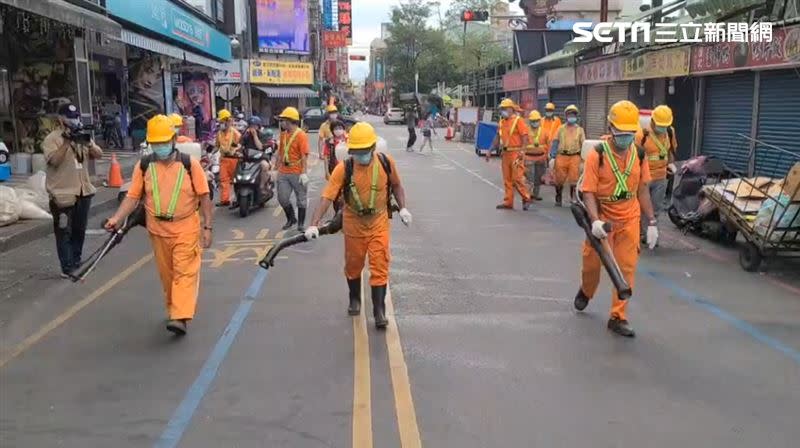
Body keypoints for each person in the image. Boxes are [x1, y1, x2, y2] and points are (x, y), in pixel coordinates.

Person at [105, 114, 213, 336]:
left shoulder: (189, 164)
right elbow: (133, 197)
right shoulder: (144, 165)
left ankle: (180, 317)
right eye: (156, 143)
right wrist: (116, 218)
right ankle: (175, 310)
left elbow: (204, 197)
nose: (161, 147)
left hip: (186, 229)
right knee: (168, 276)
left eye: (164, 142)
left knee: (184, 273)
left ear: (173, 139)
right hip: (157, 230)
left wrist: (207, 227)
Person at [305, 122, 412, 329]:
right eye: (357, 151)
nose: (361, 155)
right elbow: (327, 197)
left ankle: (379, 310)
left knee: (380, 264)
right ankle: (355, 298)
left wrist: (404, 208)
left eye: (364, 151)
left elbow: (397, 185)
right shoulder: (343, 168)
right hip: (353, 224)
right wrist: (313, 225)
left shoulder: (385, 162)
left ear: (373, 148)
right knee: (353, 265)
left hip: (379, 221)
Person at [574, 100, 659, 338]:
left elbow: (642, 190)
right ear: (610, 128)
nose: (625, 138)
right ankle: (586, 291)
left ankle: (618, 316)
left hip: (629, 218)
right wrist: (594, 221)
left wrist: (651, 222)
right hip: (602, 217)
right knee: (592, 266)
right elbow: (588, 191)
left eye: (630, 134)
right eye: (621, 133)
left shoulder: (639, 155)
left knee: (626, 268)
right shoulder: (597, 156)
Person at [43, 103, 103, 277]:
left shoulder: (81, 136)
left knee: (79, 229)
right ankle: (67, 266)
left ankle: (76, 261)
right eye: (70, 117)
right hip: (63, 194)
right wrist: (67, 141)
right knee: (64, 232)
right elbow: (54, 161)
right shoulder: (52, 139)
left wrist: (87, 142)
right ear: (61, 119)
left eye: (76, 116)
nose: (74, 120)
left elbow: (98, 154)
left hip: (83, 191)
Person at [635, 105, 677, 242]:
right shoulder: (642, 135)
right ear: (652, 121)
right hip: (644, 177)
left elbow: (671, 150)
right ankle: (641, 233)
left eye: (665, 125)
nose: (662, 128)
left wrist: (671, 163)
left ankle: (651, 232)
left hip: (661, 176)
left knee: (656, 207)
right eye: (660, 125)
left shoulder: (670, 132)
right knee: (642, 206)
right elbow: (635, 157)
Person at [488, 98, 532, 210]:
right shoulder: (502, 122)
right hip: (506, 153)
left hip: (516, 153)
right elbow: (497, 138)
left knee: (517, 178)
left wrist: (523, 151)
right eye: (501, 109)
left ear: (511, 109)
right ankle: (508, 201)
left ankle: (526, 198)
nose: (503, 111)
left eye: (505, 108)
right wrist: (490, 150)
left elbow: (525, 136)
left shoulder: (518, 120)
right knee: (507, 179)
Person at [274, 107, 310, 232]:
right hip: (284, 171)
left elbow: (304, 155)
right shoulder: (283, 134)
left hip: (297, 171)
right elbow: (280, 153)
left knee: (301, 198)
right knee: (282, 198)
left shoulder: (301, 135)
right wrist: (275, 168)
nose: (281, 123)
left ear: (290, 121)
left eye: (283, 120)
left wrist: (304, 173)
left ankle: (300, 223)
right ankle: (291, 218)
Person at [549, 104, 586, 206]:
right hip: (561, 156)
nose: (571, 117)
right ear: (566, 116)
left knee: (574, 179)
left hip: (575, 156)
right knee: (559, 179)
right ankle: (558, 196)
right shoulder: (560, 128)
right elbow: (555, 141)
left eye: (573, 114)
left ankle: (573, 198)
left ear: (576, 116)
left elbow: (583, 144)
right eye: (570, 114)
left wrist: (585, 157)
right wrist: (552, 155)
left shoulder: (580, 130)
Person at [241, 116, 273, 195]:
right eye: (251, 125)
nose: (252, 128)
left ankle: (262, 186)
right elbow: (240, 145)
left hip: (259, 157)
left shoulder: (262, 135)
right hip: (248, 157)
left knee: (265, 165)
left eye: (254, 126)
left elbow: (260, 147)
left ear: (258, 126)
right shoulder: (245, 135)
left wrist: (255, 136)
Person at [215, 109, 241, 207]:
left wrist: (236, 150)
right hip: (224, 159)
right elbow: (217, 146)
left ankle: (239, 199)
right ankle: (224, 200)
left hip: (234, 159)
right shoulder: (219, 134)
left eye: (222, 122)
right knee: (223, 181)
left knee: (236, 181)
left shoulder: (235, 133)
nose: (221, 124)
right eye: (220, 122)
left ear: (228, 121)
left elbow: (241, 145)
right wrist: (210, 154)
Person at [524, 110, 551, 201]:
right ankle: (528, 195)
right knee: (529, 178)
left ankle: (536, 194)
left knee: (538, 177)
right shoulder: (525, 131)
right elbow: (522, 144)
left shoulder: (544, 131)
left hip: (541, 157)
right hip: (528, 157)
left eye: (536, 120)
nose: (535, 122)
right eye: (533, 120)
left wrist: (547, 156)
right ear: (530, 121)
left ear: (539, 121)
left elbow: (549, 144)